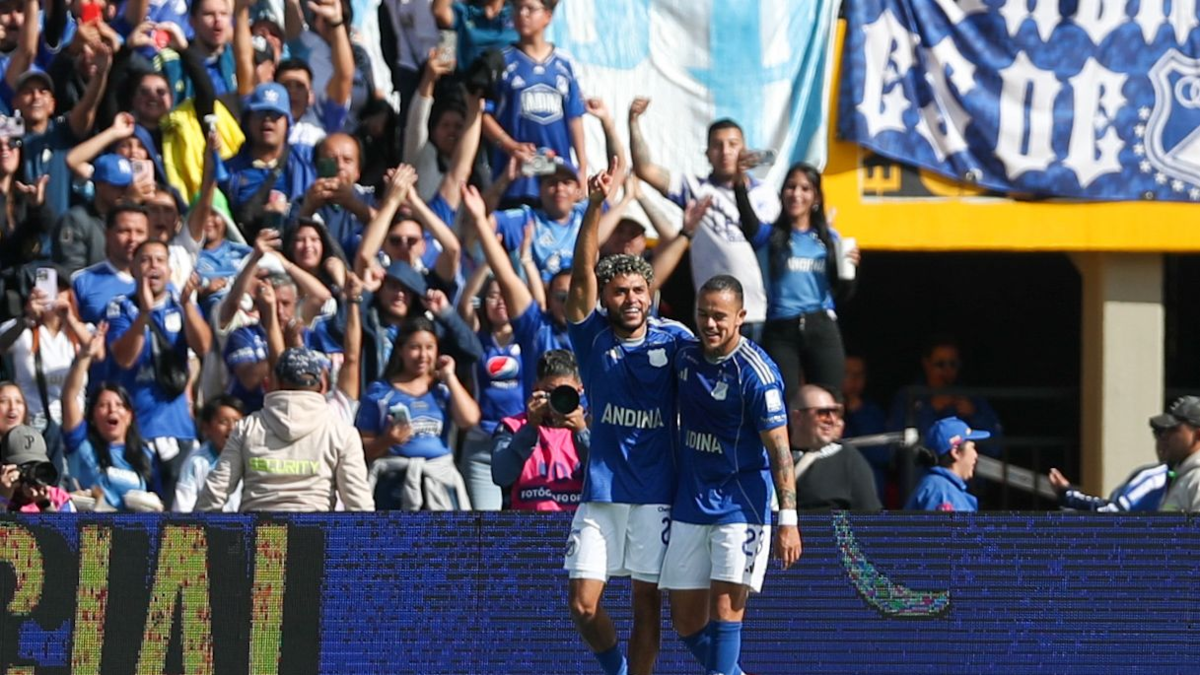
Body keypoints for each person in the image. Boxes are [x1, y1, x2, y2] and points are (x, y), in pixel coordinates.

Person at [563, 164, 691, 675]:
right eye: (620, 291)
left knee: (646, 608)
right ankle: (615, 668)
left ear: (651, 294)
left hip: (657, 493)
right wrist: (594, 205)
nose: (631, 299)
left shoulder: (676, 339)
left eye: (640, 290)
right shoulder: (591, 337)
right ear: (606, 295)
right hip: (601, 492)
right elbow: (579, 276)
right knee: (582, 605)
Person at [660, 275, 801, 675]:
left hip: (740, 506)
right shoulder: (685, 356)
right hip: (690, 501)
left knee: (726, 611)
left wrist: (788, 519)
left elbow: (780, 452)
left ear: (740, 317)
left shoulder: (757, 374)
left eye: (719, 316)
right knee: (685, 622)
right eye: (703, 314)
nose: (710, 324)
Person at [629, 99, 777, 340]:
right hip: (712, 314)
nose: (726, 151)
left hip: (757, 311)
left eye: (733, 144)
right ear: (707, 153)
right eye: (717, 145)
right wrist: (633, 121)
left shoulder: (765, 192)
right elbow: (645, 169)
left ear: (745, 149)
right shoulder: (694, 188)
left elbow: (769, 239)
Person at [197, 347, 375, 511]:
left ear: (274, 382)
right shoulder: (342, 433)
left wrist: (198, 541)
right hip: (314, 539)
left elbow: (215, 491)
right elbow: (358, 503)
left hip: (259, 539)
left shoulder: (247, 427)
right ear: (321, 385)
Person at [106, 239, 212, 505]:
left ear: (169, 268)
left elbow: (204, 347)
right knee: (140, 515)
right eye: (145, 260)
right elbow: (124, 358)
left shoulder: (181, 303)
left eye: (160, 260)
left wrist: (188, 305)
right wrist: (144, 313)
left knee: (178, 515)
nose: (153, 266)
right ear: (132, 268)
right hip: (136, 432)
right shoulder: (121, 306)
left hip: (179, 430)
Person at [738, 163, 857, 397]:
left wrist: (852, 270)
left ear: (816, 197)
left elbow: (843, 293)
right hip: (781, 328)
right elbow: (748, 219)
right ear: (782, 193)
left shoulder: (830, 239)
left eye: (805, 188)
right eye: (791, 187)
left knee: (830, 403)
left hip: (821, 325)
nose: (796, 194)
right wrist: (738, 184)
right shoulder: (770, 236)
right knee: (781, 404)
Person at [355, 316, 478, 510]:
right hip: (394, 485)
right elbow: (359, 448)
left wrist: (449, 377)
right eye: (414, 347)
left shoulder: (443, 389)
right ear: (400, 350)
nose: (423, 355)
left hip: (440, 482)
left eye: (429, 347)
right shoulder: (379, 392)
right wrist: (387, 440)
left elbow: (469, 420)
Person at [462, 182, 571, 395]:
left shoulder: (598, 332)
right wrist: (480, 221)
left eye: (575, 296)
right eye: (561, 296)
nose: (568, 303)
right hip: (538, 424)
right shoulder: (536, 327)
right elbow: (506, 276)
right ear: (550, 299)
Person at [483, 0, 586, 205]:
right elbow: (483, 115)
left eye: (530, 8)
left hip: (557, 177)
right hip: (515, 177)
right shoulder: (501, 61)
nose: (523, 14)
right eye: (518, 8)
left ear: (547, 16)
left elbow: (575, 118)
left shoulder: (564, 63)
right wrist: (511, 146)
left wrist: (582, 167)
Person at [61, 326, 160, 511]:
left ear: (129, 416)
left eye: (119, 405)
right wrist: (85, 356)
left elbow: (160, 503)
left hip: (133, 534)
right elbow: (69, 398)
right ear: (92, 416)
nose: (111, 410)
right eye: (103, 405)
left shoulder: (146, 455)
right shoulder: (81, 445)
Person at [456, 270, 520, 510]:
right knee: (487, 527)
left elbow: (538, 300)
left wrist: (523, 258)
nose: (500, 301)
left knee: (528, 527)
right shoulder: (477, 339)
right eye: (493, 295)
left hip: (522, 441)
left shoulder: (528, 335)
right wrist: (486, 260)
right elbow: (464, 302)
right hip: (482, 442)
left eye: (506, 294)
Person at [491, 349, 586, 511]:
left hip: (577, 528)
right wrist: (531, 427)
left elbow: (606, 479)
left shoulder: (591, 426)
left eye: (565, 393)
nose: (558, 400)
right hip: (527, 528)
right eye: (550, 392)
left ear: (580, 390)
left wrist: (582, 433)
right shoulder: (512, 426)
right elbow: (501, 475)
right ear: (536, 388)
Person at [887, 334, 1003, 455]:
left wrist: (974, 415)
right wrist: (930, 409)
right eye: (940, 364)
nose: (947, 371)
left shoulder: (971, 397)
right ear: (926, 363)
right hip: (922, 469)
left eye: (953, 364)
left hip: (962, 471)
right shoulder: (908, 396)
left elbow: (995, 448)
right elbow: (895, 449)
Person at [788, 384, 881, 511]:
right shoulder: (771, 458)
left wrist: (835, 528)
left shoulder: (849, 460)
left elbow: (870, 520)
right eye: (823, 413)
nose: (832, 419)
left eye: (835, 412)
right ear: (797, 417)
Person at [70, 202, 150, 326]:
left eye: (140, 232)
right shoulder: (82, 281)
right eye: (124, 231)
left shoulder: (161, 282)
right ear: (107, 234)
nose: (132, 239)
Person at [173, 395, 245, 512]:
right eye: (223, 422)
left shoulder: (251, 456)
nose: (231, 428)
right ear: (207, 428)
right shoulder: (196, 462)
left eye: (237, 421)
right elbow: (183, 507)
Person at [904, 417, 989, 512]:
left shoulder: (939, 487)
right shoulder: (942, 494)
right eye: (972, 447)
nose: (976, 455)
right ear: (956, 452)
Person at [842, 355, 889, 504]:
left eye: (859, 374)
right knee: (840, 527)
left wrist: (858, 412)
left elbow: (883, 454)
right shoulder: (826, 412)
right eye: (848, 373)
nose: (854, 379)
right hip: (838, 496)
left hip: (868, 497)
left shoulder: (873, 411)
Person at [0, 425, 75, 512]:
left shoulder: (58, 499)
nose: (29, 475)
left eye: (35, 466)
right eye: (22, 467)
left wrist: (45, 505)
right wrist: (3, 499)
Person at [1153, 396, 1200, 512]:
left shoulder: (1197, 478)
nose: (1164, 436)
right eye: (1163, 430)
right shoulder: (1180, 473)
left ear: (1198, 435)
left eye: (1173, 429)